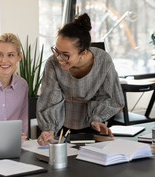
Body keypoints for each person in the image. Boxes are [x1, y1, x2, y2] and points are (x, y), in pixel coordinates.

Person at [37, 13, 124, 146]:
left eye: (65, 55)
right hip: (61, 124)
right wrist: (49, 129)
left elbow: (110, 97)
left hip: (93, 125)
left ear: (83, 53)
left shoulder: (104, 61)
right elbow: (50, 99)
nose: (59, 58)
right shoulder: (52, 63)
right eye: (56, 50)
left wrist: (97, 118)